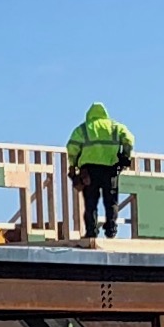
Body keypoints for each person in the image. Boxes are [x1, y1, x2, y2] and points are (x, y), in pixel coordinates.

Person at [67, 102, 134, 237]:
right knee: (111, 200)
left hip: (89, 170)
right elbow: (129, 140)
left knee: (91, 202)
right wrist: (125, 155)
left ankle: (91, 231)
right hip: (111, 169)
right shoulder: (115, 127)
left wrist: (73, 164)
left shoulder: (83, 129)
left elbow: (72, 148)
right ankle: (111, 227)